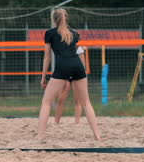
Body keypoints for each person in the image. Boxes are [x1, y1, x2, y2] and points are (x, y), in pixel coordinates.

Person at [38, 9, 100, 140]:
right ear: (66, 18)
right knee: (86, 103)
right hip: (78, 66)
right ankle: (97, 135)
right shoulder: (74, 33)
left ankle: (40, 136)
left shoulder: (50, 33)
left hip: (63, 66)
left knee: (46, 102)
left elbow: (47, 57)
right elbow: (76, 50)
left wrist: (43, 76)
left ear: (54, 19)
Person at [54, 46, 86, 124]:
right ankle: (56, 122)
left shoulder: (78, 49)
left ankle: (77, 123)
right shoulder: (62, 48)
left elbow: (83, 66)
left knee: (77, 101)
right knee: (60, 100)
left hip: (76, 75)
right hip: (66, 75)